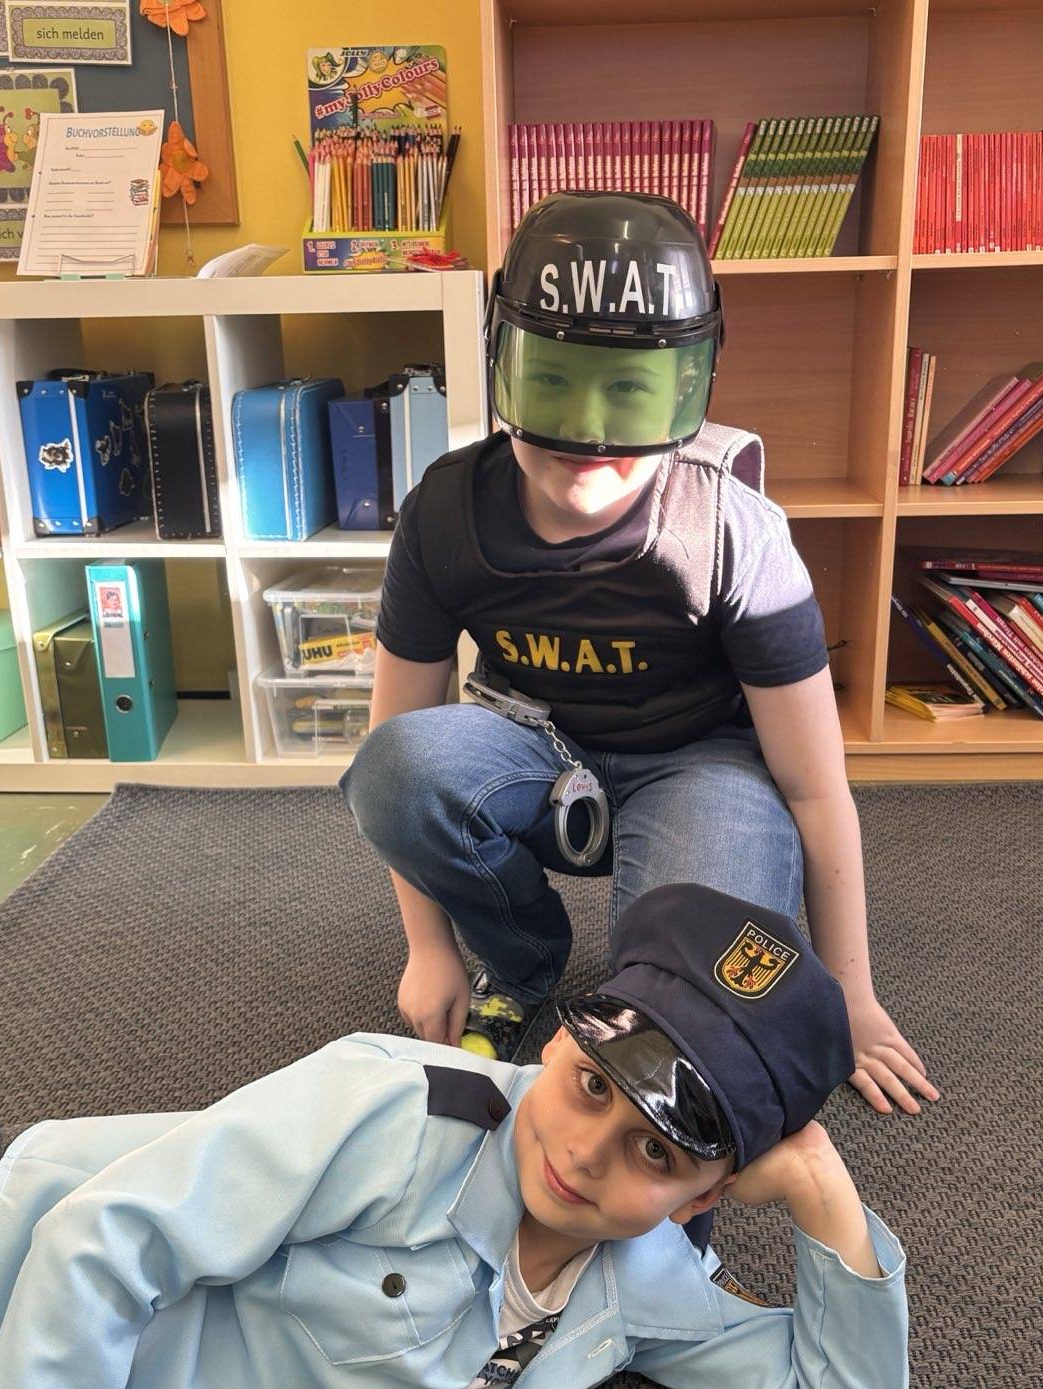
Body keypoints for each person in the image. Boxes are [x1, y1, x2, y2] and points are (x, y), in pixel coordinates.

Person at [0, 884, 909, 1389]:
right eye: (591, 1084)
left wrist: (823, 1193)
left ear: (706, 1197)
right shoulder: (397, 1107)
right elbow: (100, 1242)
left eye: (657, 1150)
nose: (584, 1151)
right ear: (557, 1041)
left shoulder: (644, 1284)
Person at [339, 189, 938, 1119]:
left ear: (687, 385)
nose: (588, 430)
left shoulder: (732, 529)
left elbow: (818, 789)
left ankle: (647, 980)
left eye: (627, 388)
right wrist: (430, 947)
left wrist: (848, 995)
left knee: (684, 1023)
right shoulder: (445, 513)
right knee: (395, 767)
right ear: (504, 363)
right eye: (553, 379)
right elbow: (393, 750)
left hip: (703, 764)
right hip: (535, 756)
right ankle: (521, 959)